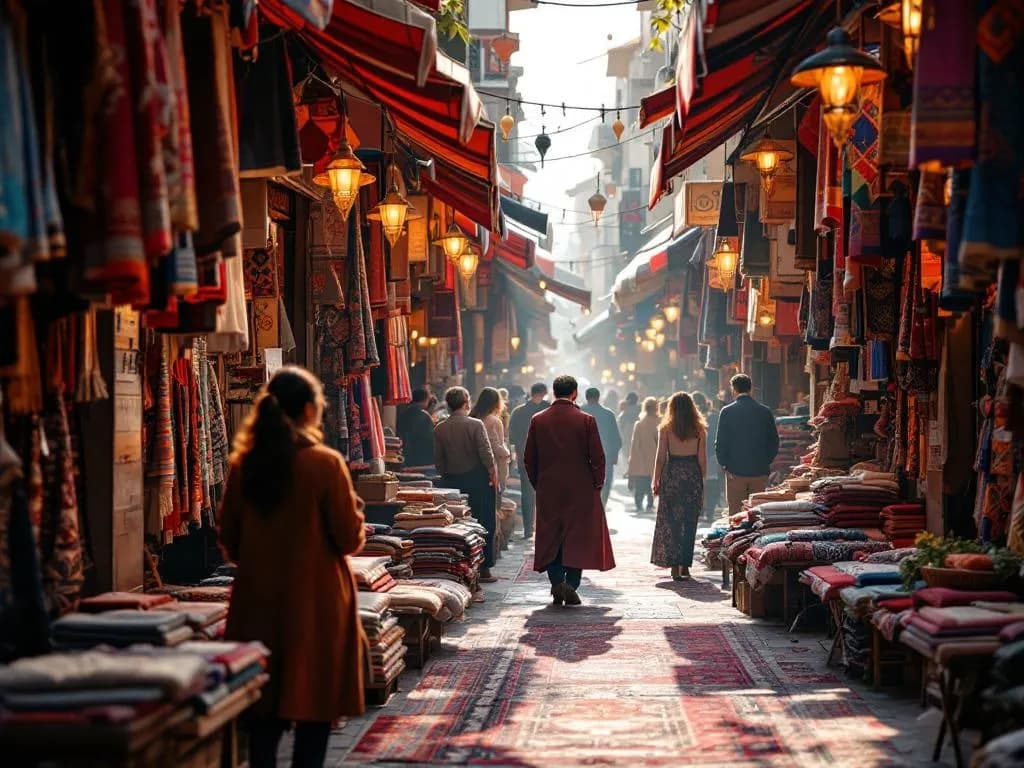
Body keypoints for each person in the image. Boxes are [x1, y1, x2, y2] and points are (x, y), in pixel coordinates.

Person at [218, 366, 365, 768]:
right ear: (306, 410)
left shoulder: (244, 465)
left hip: (257, 601)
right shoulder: (324, 463)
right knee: (314, 707)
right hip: (316, 602)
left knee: (263, 713)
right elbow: (350, 538)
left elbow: (229, 536)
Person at [524, 375, 615, 606]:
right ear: (574, 393)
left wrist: (538, 483)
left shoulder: (538, 420)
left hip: (549, 487)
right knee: (577, 537)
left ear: (554, 393)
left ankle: (557, 583)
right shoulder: (586, 420)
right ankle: (570, 585)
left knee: (552, 536)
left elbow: (529, 459)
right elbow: (598, 457)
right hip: (581, 488)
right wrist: (597, 483)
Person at [433, 387, 499, 581]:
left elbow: (439, 460)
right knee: (485, 521)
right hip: (478, 479)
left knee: (457, 524)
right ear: (466, 402)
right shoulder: (475, 424)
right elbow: (486, 453)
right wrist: (493, 474)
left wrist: (445, 477)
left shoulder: (440, 428)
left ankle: (461, 566)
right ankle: (484, 568)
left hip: (452, 481)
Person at [651, 392, 707, 580]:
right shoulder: (699, 429)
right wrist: (702, 479)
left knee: (672, 520)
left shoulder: (666, 428)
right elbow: (702, 459)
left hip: (672, 474)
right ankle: (685, 565)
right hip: (692, 476)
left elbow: (660, 458)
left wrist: (655, 480)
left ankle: (674, 565)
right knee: (690, 522)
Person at [715, 373, 780, 516]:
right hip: (759, 471)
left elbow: (720, 443)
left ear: (733, 390)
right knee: (756, 513)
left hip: (734, 472)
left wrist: (725, 465)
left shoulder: (726, 412)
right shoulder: (765, 411)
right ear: (751, 389)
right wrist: (765, 461)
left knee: (736, 514)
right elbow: (774, 441)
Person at [508, 382, 549, 538]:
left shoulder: (518, 412)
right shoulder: (551, 410)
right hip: (549, 459)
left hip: (526, 458)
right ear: (544, 393)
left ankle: (528, 529)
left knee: (527, 494)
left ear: (531, 393)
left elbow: (511, 438)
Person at [581, 386, 622, 508]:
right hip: (605, 456)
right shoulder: (609, 414)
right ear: (599, 398)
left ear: (586, 397)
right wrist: (613, 457)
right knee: (605, 484)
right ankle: (601, 507)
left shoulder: (578, 412)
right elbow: (617, 440)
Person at [471, 387, 511, 495]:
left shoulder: (472, 417)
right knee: (492, 503)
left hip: (473, 465)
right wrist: (507, 453)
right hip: (492, 467)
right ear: (496, 403)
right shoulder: (494, 421)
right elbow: (495, 446)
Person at [691, 391, 722, 520]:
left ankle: (700, 510)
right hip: (712, 455)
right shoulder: (714, 417)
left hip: (695, 455)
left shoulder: (691, 418)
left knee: (698, 484)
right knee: (712, 484)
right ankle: (709, 510)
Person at [627, 397, 660, 512]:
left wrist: (632, 462)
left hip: (640, 460)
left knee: (640, 485)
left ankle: (639, 504)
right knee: (652, 483)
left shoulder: (639, 424)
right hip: (655, 459)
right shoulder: (660, 423)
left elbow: (634, 445)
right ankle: (650, 504)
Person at [397, 387, 435, 468]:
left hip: (406, 455)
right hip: (422, 457)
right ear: (425, 400)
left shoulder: (404, 413)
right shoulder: (424, 415)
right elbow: (431, 437)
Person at [617, 391, 641, 462]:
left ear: (628, 400)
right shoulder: (642, 411)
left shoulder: (624, 413)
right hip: (639, 444)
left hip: (627, 443)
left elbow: (620, 429)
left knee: (626, 463)